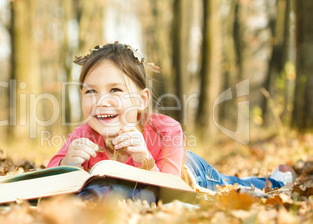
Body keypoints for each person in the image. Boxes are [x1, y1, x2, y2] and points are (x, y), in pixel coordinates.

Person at [46, 42, 293, 203]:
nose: (101, 101)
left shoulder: (165, 130)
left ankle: (275, 182)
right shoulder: (83, 134)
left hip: (190, 172)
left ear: (142, 100)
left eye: (115, 90)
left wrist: (145, 159)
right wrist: (68, 163)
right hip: (136, 192)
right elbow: (49, 176)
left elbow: (171, 188)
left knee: (231, 186)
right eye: (90, 92)